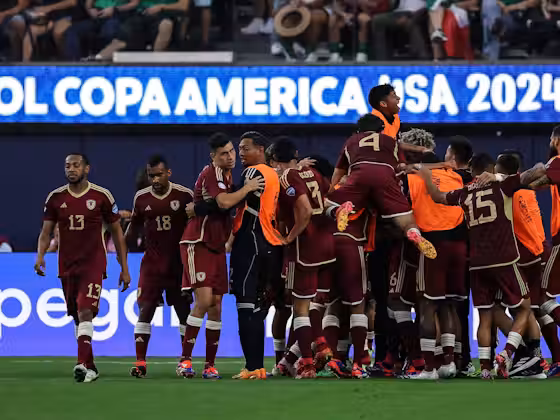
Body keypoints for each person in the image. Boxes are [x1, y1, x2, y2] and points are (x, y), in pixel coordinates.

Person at [415, 152, 544, 379]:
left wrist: (426, 176)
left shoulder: (465, 192)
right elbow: (539, 169)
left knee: (486, 315)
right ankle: (507, 353)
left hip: (477, 263)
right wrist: (501, 178)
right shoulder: (502, 186)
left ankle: (485, 369)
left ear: (472, 171)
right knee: (525, 308)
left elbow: (438, 197)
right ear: (491, 170)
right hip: (504, 258)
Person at [34, 153, 130, 383]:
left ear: (87, 169)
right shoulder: (55, 198)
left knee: (85, 310)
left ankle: (80, 363)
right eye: (67, 165)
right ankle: (90, 367)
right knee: (78, 317)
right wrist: (40, 256)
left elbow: (117, 233)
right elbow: (46, 232)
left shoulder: (102, 196)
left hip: (93, 264)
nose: (71, 169)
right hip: (67, 265)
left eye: (76, 165)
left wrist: (124, 267)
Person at [176, 133, 264, 380]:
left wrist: (202, 207)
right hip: (198, 241)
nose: (230, 156)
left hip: (216, 246)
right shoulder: (213, 173)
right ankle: (184, 361)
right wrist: (248, 188)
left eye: (231, 151)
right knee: (204, 300)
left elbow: (222, 204)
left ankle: (210, 365)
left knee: (216, 305)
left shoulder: (227, 175)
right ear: (213, 156)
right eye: (223, 153)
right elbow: (225, 202)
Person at [268, 138, 335, 379]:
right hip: (328, 246)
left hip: (304, 248)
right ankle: (319, 344)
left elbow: (304, 211)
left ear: (275, 161)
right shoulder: (313, 172)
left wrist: (290, 237)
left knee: (300, 309)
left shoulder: (287, 177)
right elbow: (328, 199)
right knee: (315, 304)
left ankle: (307, 363)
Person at [330, 113, 437, 261]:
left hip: (361, 183)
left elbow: (338, 171)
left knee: (327, 203)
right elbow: (401, 166)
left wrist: (331, 191)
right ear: (381, 130)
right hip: (389, 190)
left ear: (359, 131)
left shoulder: (352, 141)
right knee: (407, 221)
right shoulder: (391, 143)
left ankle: (340, 209)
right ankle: (413, 233)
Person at [125, 155, 193, 379]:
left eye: (159, 175)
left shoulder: (184, 195)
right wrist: (122, 259)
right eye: (151, 175)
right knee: (145, 311)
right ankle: (140, 363)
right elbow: (133, 229)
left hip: (178, 265)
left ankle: (185, 361)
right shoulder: (141, 198)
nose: (154, 179)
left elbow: (196, 226)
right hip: (152, 265)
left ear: (168, 173)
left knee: (183, 312)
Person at [230, 131, 284, 380]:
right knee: (258, 307)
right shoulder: (273, 174)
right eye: (239, 149)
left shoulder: (252, 172)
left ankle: (252, 367)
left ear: (261, 149)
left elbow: (230, 201)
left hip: (250, 241)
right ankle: (258, 367)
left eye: (245, 148)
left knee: (245, 306)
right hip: (271, 243)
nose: (240, 153)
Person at [408, 155, 467, 380]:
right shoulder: (455, 177)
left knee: (427, 305)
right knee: (449, 305)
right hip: (459, 245)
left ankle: (429, 368)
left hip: (432, 242)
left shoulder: (414, 177)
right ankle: (449, 363)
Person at [91, 0, 189, 61]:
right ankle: (96, 60)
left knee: (166, 25)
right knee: (122, 38)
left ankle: (155, 64)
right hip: (141, 14)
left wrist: (161, 7)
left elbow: (184, 5)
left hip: (165, 14)